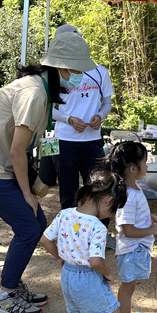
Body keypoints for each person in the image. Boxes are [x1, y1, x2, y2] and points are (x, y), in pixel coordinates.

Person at [0, 31, 96, 313]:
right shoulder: (34, 93)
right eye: (76, 71)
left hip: (0, 164)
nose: (79, 78)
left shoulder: (42, 89)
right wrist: (27, 193)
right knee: (28, 226)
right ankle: (4, 296)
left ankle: (12, 283)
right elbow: (16, 150)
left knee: (36, 223)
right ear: (60, 68)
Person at [40, 170, 127, 313]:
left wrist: (60, 257)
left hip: (68, 276)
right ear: (108, 200)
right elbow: (96, 261)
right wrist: (107, 273)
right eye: (112, 209)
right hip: (89, 279)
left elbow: (44, 239)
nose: (110, 215)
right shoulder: (97, 226)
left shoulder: (65, 214)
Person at [99, 141, 157, 313]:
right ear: (133, 168)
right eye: (146, 161)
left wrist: (149, 217)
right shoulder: (128, 195)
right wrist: (151, 230)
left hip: (133, 250)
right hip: (132, 250)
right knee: (127, 288)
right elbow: (127, 229)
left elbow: (134, 217)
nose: (148, 165)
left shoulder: (131, 188)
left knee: (130, 285)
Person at [51, 24, 114, 211]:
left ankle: (98, 232)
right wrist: (68, 119)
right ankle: (68, 234)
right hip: (64, 140)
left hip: (92, 141)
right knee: (67, 192)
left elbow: (107, 103)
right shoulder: (56, 73)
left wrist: (100, 116)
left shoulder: (99, 71)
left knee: (97, 190)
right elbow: (47, 109)